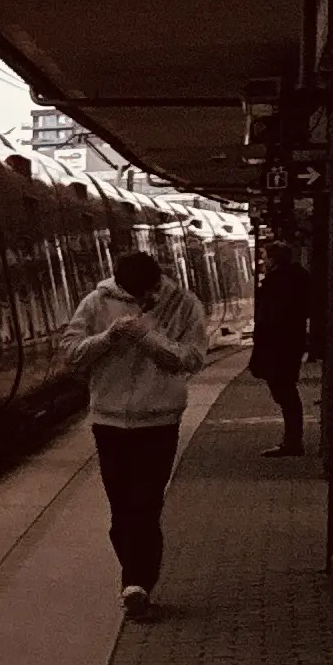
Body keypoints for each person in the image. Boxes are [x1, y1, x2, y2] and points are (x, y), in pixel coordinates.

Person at [67, 247, 208, 617]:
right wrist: (109, 337)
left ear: (156, 282)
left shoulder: (184, 305)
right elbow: (71, 353)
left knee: (145, 504)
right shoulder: (96, 303)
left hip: (159, 421)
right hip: (109, 422)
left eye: (146, 293)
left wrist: (148, 338)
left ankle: (137, 583)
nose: (142, 300)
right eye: (133, 294)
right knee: (121, 512)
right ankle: (136, 581)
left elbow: (192, 359)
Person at [251, 248, 318, 457]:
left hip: (279, 346)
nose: (263, 261)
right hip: (289, 344)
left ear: (274, 260)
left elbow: (269, 318)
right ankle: (292, 440)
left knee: (285, 393)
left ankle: (293, 442)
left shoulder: (278, 284)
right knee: (286, 392)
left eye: (266, 257)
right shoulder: (295, 280)